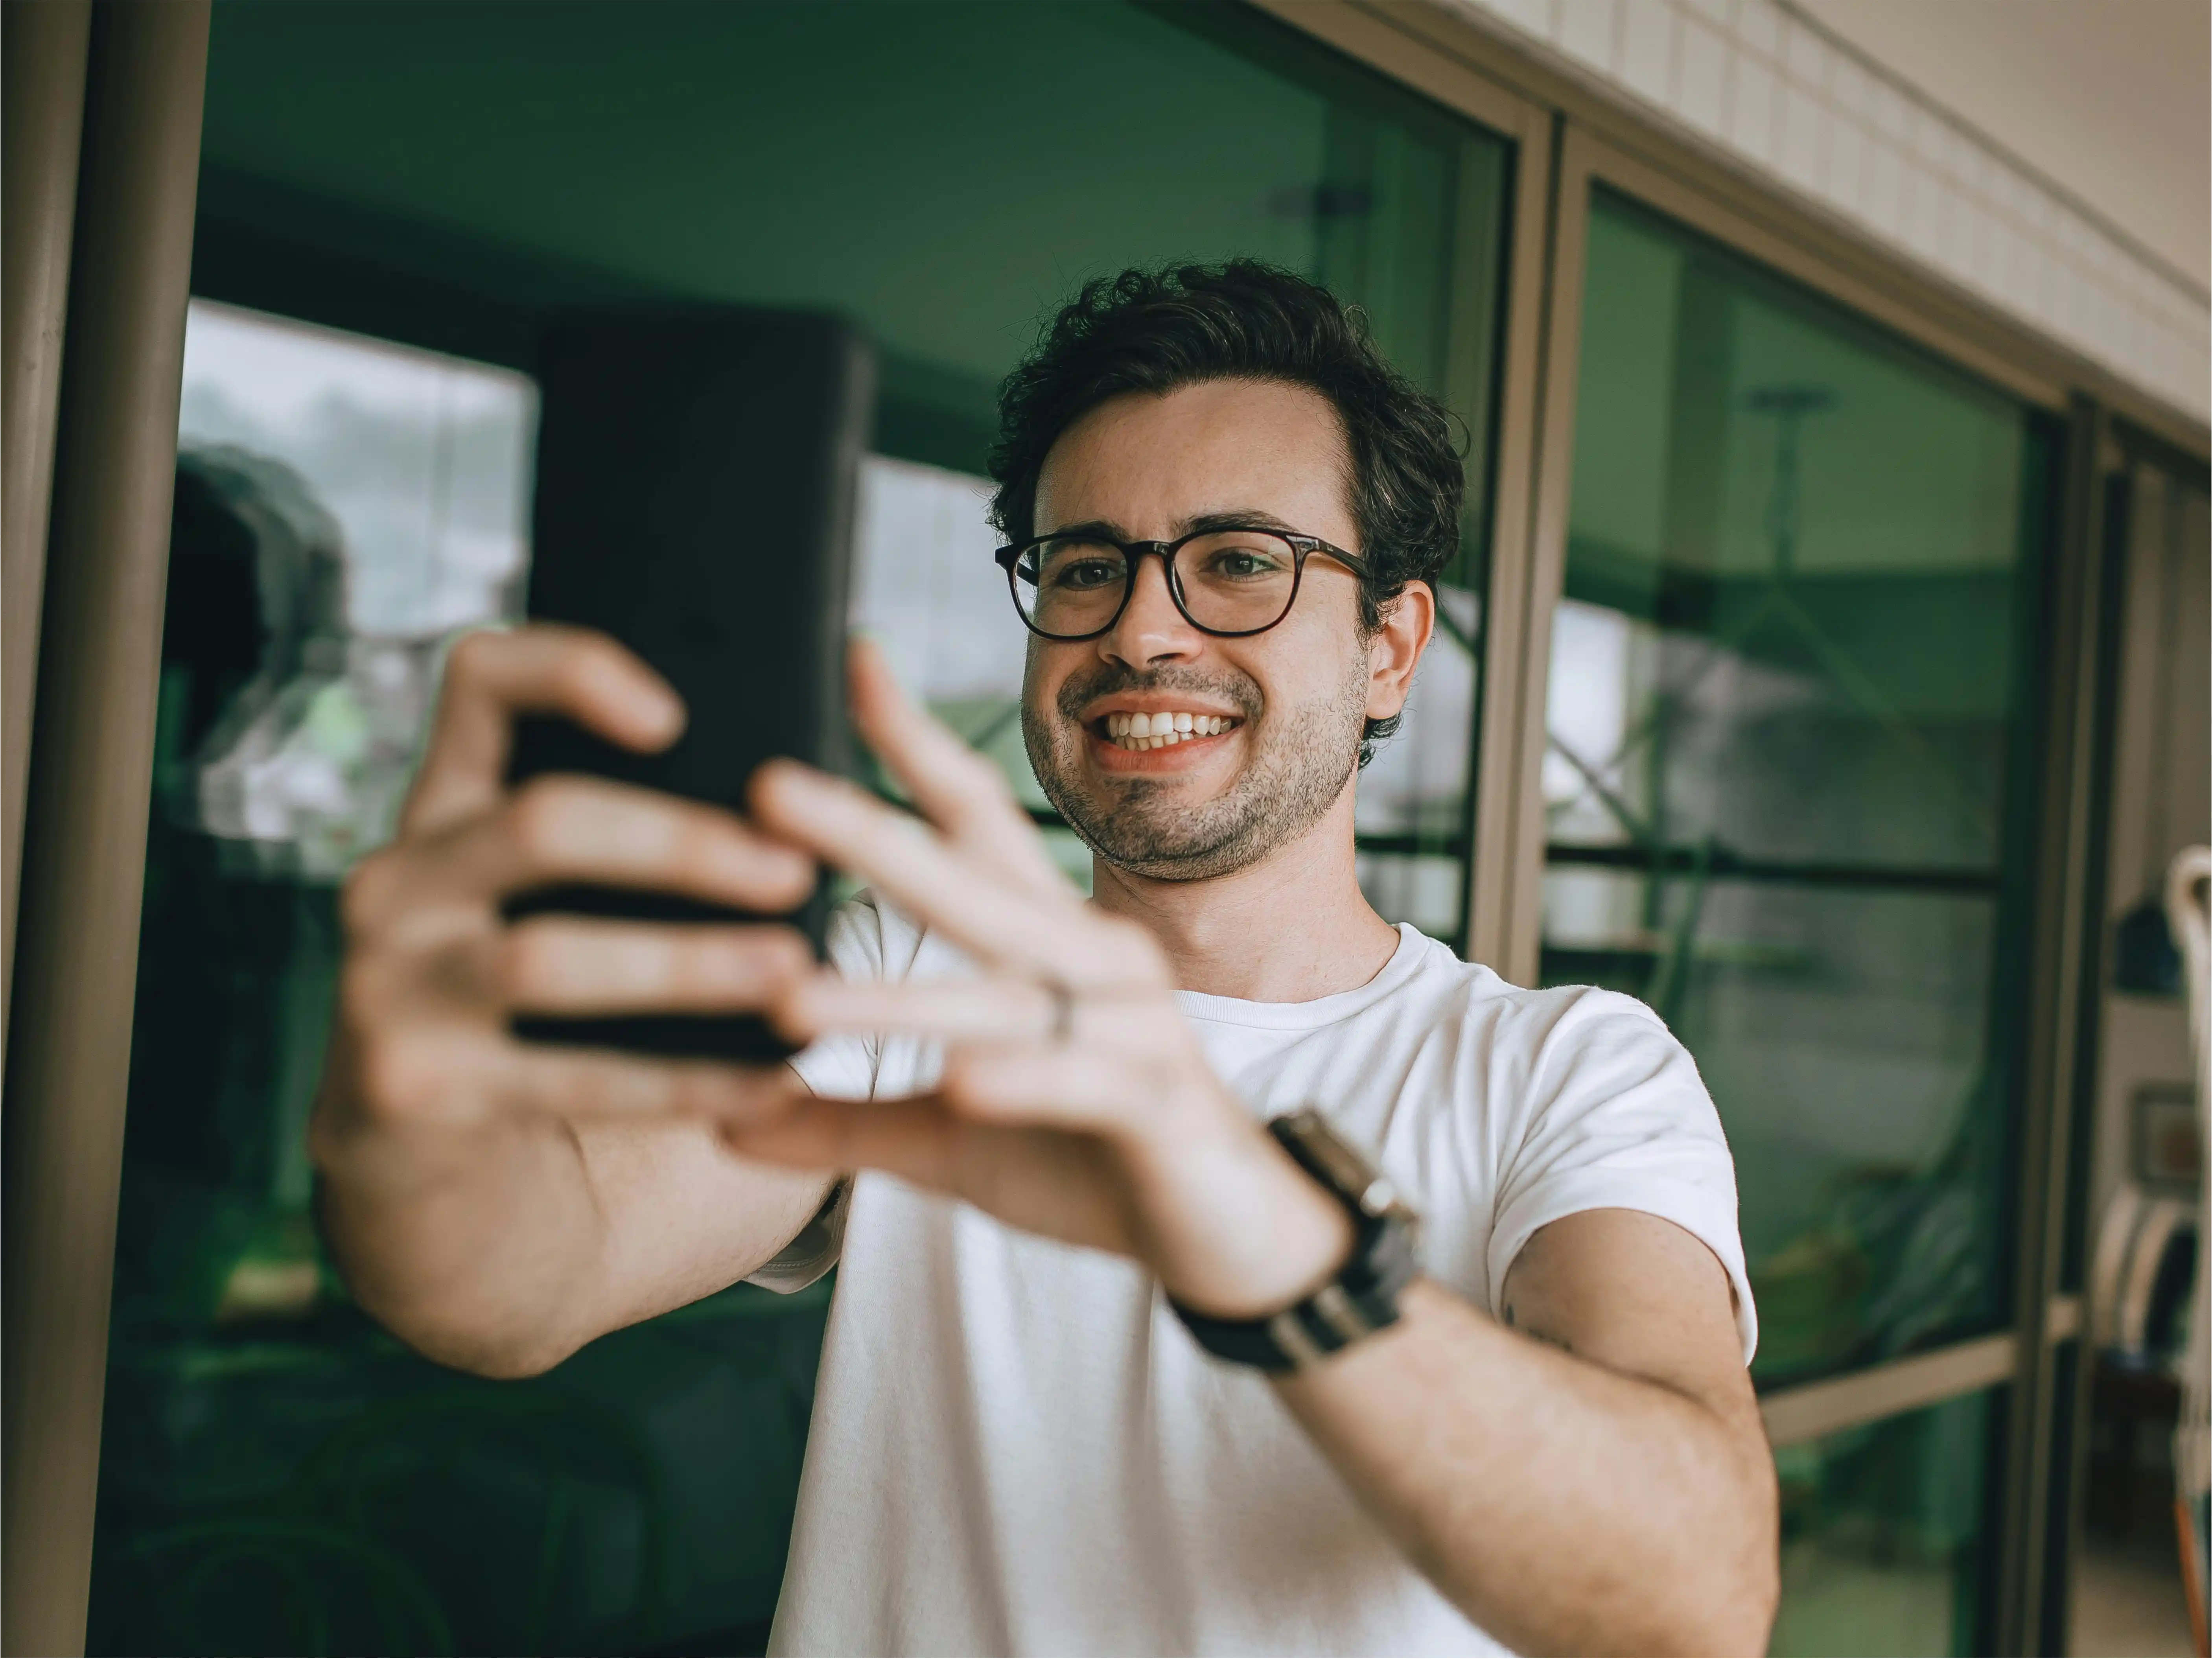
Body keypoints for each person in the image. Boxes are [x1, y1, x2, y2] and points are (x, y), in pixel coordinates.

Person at [311, 263, 1779, 1656]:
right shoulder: (903, 976)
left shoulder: (1567, 1069)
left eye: (1238, 563)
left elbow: (1695, 1604)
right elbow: (510, 1286)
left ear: (1390, 645)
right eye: (1087, 566)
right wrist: (411, 1107)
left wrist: (1257, 1229)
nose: (1142, 627)